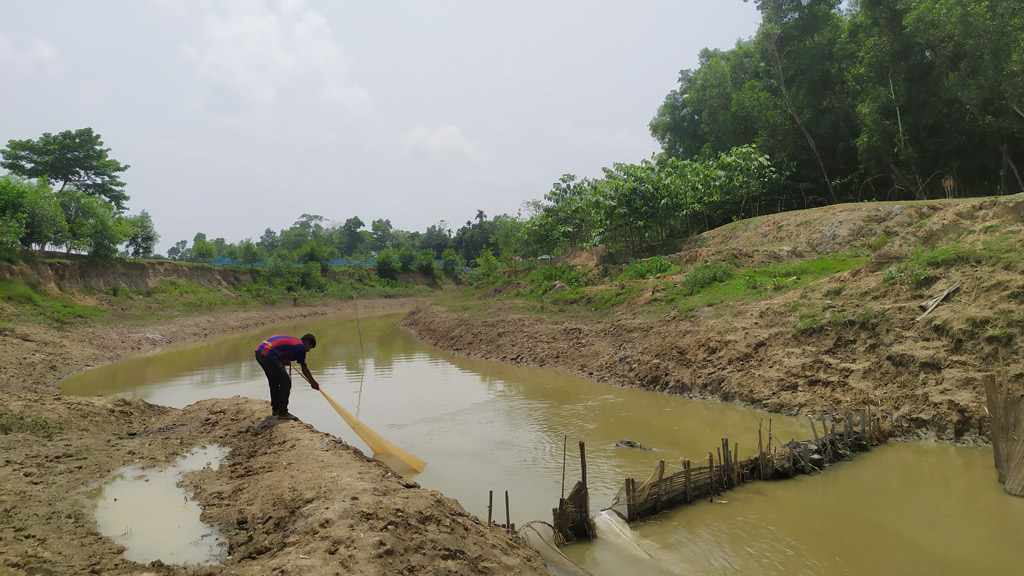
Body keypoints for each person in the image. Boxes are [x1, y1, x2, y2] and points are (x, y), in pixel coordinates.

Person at [254, 333, 320, 420]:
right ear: (307, 343)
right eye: (309, 348)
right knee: (286, 382)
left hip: (260, 352)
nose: (308, 350)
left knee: (274, 381)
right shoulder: (301, 347)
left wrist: (283, 361)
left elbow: (281, 351)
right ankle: (283, 412)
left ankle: (276, 409)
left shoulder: (295, 342)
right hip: (268, 353)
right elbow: (304, 369)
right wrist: (313, 383)